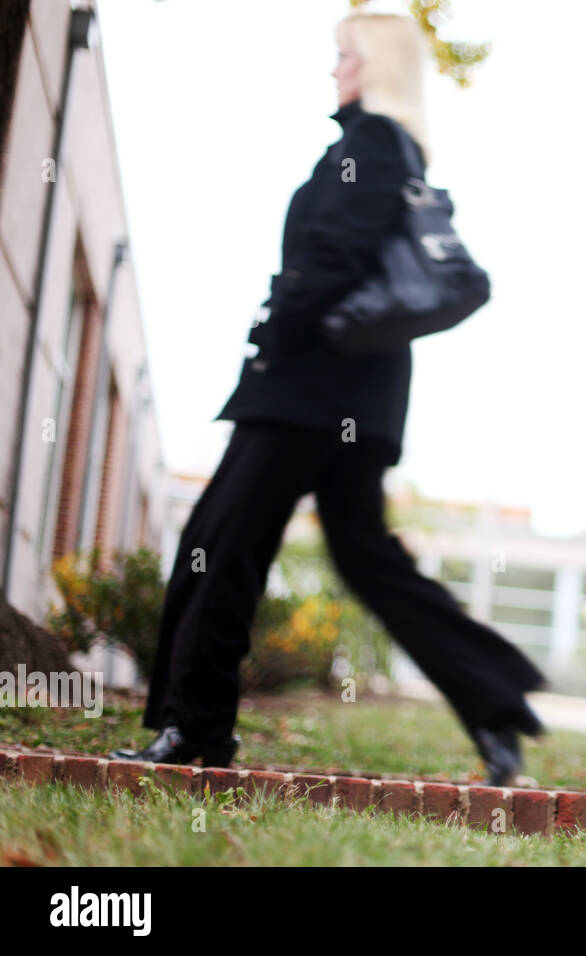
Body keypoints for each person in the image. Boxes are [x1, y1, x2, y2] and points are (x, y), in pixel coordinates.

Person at [110, 12, 547, 785]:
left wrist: (279, 327)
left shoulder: (371, 144)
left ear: (376, 67)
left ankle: (194, 728)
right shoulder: (384, 147)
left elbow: (334, 254)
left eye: (343, 56)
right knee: (365, 557)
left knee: (219, 545)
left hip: (309, 391)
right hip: (356, 395)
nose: (332, 70)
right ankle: (495, 701)